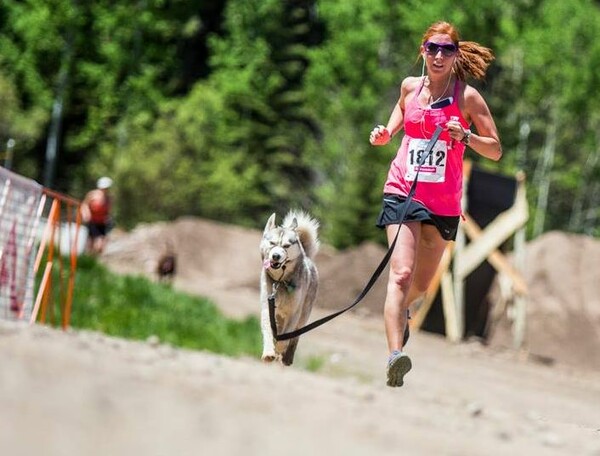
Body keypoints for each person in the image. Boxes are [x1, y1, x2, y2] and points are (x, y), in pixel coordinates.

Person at [369, 21, 502, 387]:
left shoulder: (467, 98)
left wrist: (468, 135)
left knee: (422, 285)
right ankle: (396, 356)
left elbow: (495, 149)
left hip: (442, 203)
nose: (439, 55)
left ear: (456, 54)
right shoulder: (410, 88)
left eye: (446, 49)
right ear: (422, 51)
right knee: (400, 274)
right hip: (403, 191)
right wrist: (386, 133)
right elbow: (400, 113)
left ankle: (402, 316)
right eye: (432, 48)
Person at [80, 176, 113, 255]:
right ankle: (88, 259)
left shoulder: (109, 198)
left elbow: (108, 211)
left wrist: (108, 218)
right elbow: (84, 205)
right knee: (91, 243)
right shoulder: (92, 194)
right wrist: (86, 213)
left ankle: (94, 259)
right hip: (92, 221)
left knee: (101, 245)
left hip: (102, 223)